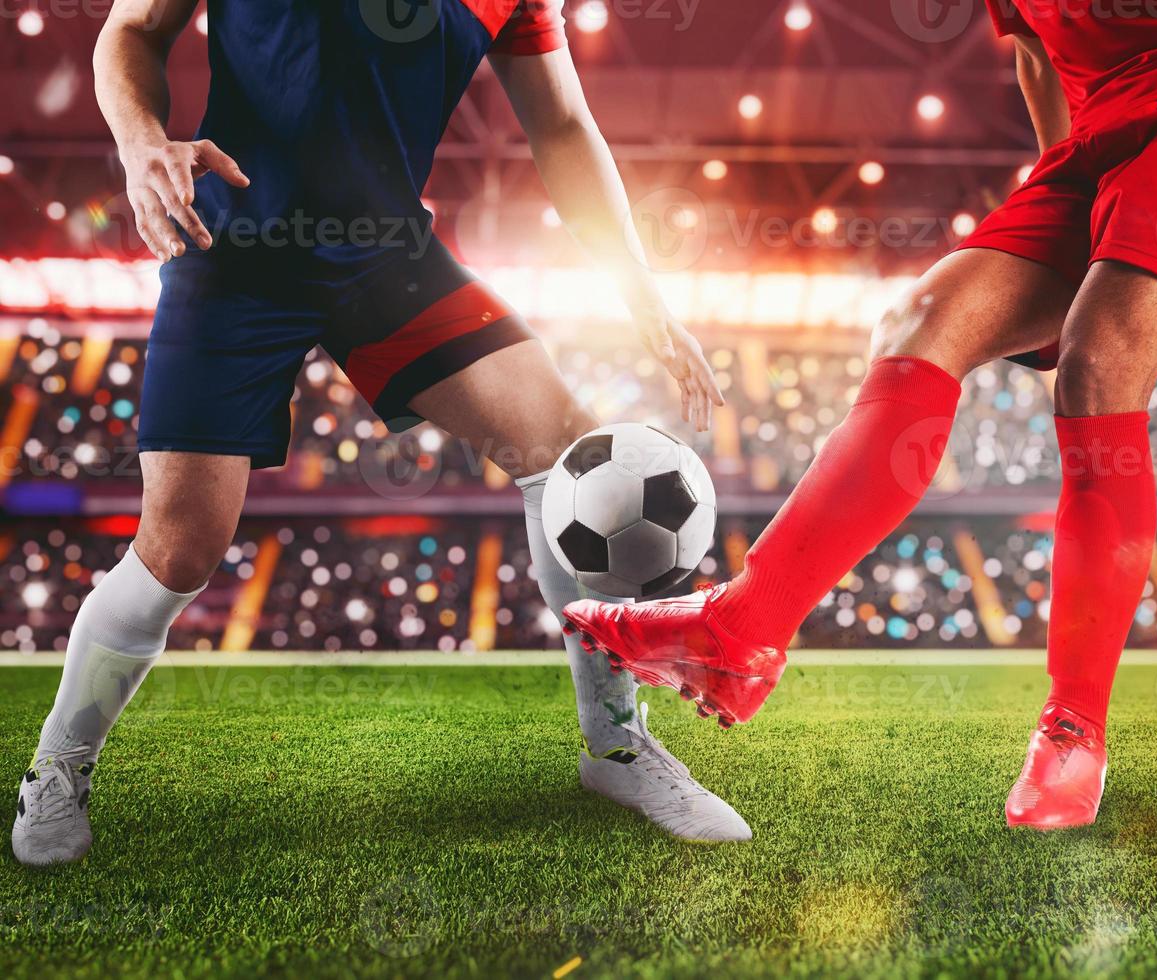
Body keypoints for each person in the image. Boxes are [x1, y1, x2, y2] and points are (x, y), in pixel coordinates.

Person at [12, 0, 745, 867]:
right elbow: (131, 31)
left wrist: (641, 293)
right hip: (234, 248)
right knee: (180, 549)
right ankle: (57, 766)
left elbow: (560, 123)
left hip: (387, 260)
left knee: (569, 455)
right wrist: (141, 144)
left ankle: (616, 748)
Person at [564, 0, 1157, 829]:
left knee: (1096, 365)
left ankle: (1074, 730)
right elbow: (1036, 56)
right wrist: (1072, 198)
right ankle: (741, 630)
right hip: (1094, 137)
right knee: (917, 325)